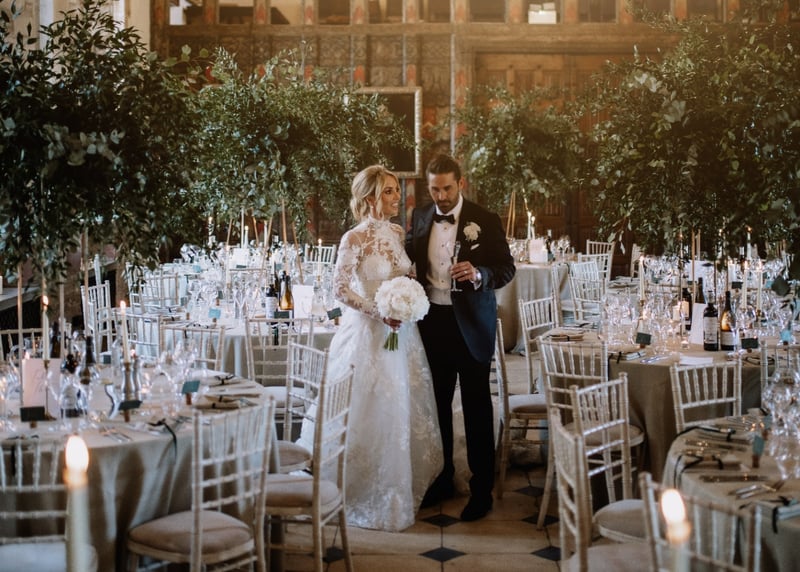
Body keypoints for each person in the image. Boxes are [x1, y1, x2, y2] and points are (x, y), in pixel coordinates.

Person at [307, 164, 443, 532]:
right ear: (370, 198)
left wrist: (408, 293)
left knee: (402, 406)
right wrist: (379, 312)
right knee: (372, 408)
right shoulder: (352, 238)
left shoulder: (397, 232)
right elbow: (339, 289)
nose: (398, 197)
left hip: (403, 336)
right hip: (368, 335)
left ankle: (403, 483)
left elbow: (404, 273)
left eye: (396, 190)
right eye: (389, 191)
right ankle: (365, 488)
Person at [406, 153, 516, 521]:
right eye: (434, 190)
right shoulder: (421, 215)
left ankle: (481, 490)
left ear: (461, 183)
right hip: (432, 322)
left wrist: (480, 273)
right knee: (436, 404)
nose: (441, 197)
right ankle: (442, 479)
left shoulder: (484, 219)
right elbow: (409, 257)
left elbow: (506, 268)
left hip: (471, 324)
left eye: (447, 189)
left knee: (476, 407)